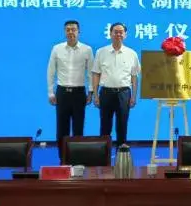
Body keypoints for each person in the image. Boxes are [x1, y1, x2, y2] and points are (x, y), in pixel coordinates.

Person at [47, 20, 94, 155]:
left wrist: (91, 92)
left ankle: (77, 157)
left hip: (79, 92)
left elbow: (91, 73)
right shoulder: (57, 49)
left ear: (79, 31)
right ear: (64, 32)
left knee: (78, 127)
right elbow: (51, 71)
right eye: (67, 29)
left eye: (73, 29)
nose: (70, 32)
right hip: (62, 92)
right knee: (62, 128)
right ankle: (63, 158)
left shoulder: (87, 49)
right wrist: (50, 92)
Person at [91, 22, 141, 147]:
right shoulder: (101, 52)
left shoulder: (131, 53)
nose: (118, 34)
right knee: (105, 126)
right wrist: (95, 95)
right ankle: (104, 155)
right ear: (110, 34)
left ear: (125, 35)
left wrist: (133, 96)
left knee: (122, 125)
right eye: (115, 32)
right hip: (106, 92)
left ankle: (121, 155)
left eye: (121, 32)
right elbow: (96, 74)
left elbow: (134, 77)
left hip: (124, 93)